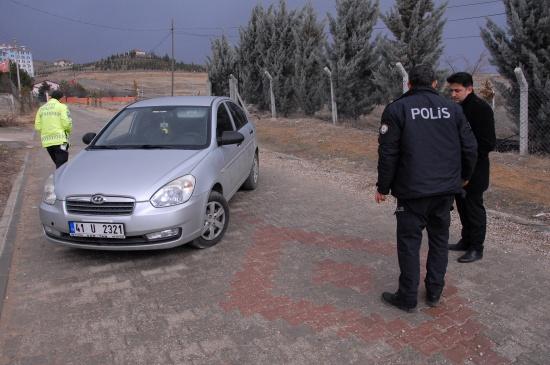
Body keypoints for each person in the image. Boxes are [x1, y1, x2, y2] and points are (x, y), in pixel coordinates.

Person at [375, 65, 478, 312]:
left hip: (412, 192)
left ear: (409, 84)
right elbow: (470, 148)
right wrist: (464, 177)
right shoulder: (453, 109)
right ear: (434, 84)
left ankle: (407, 297)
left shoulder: (397, 108)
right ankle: (434, 292)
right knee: (439, 241)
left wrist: (383, 187)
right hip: (445, 191)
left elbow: (388, 153)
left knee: (409, 243)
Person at [447, 72, 496, 263]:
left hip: (476, 169)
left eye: (457, 90)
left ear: (470, 88)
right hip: (458, 168)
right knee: (462, 206)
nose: (453, 94)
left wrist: (469, 162)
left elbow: (487, 143)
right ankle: (466, 240)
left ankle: (477, 247)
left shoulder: (480, 109)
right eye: (451, 90)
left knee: (474, 208)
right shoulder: (456, 107)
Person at [35, 90, 72, 168]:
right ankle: (61, 179)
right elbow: (66, 123)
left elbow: (37, 126)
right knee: (62, 166)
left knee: (58, 164)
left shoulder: (41, 108)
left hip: (47, 141)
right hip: (61, 141)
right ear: (61, 98)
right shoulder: (62, 107)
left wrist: (47, 131)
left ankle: (60, 178)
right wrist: (68, 131)